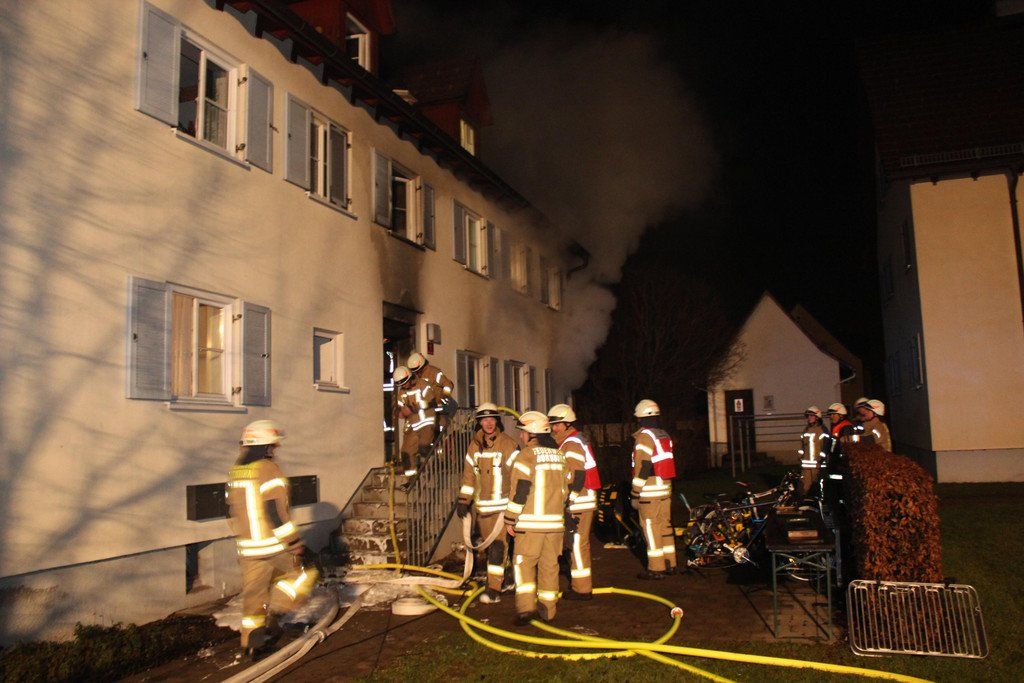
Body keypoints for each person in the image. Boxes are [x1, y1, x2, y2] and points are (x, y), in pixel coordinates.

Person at [227, 420, 318, 659]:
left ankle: (252, 643)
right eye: (272, 446)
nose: (274, 450)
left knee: (254, 597)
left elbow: (229, 510)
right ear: (265, 446)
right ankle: (277, 611)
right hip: (273, 546)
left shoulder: (237, 471)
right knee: (303, 574)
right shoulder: (267, 469)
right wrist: (294, 543)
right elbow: (275, 513)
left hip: (248, 549)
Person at [505, 411, 571, 625]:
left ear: (531, 433)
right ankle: (549, 611)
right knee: (550, 567)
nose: (521, 435)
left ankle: (526, 610)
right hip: (555, 526)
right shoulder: (559, 455)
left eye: (523, 432)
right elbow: (567, 490)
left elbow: (520, 490)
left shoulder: (526, 455)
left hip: (530, 525)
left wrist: (510, 518)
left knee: (523, 565)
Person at [456, 403, 520, 604]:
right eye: (485, 420)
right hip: (483, 511)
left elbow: (518, 477)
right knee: (491, 548)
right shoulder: (474, 446)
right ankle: (508, 579)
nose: (489, 423)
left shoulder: (508, 444)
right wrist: (463, 500)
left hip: (502, 510)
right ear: (479, 423)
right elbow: (469, 477)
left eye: (492, 419)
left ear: (497, 421)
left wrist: (515, 506)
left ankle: (493, 589)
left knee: (498, 548)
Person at [548, 403, 601, 600]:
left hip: (579, 502)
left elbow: (577, 476)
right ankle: (580, 585)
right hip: (581, 500)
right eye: (552, 425)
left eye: (557, 425)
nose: (554, 429)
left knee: (578, 544)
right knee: (577, 543)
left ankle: (582, 589)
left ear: (568, 424)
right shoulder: (573, 441)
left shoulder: (571, 444)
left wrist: (568, 502)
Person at [630, 399, 678, 580]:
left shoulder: (644, 437)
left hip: (649, 490)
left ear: (640, 418)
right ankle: (670, 563)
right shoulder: (663, 435)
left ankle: (656, 568)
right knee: (665, 525)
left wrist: (635, 492)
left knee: (650, 527)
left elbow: (643, 467)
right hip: (665, 488)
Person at [393, 364, 441, 488]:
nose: (403, 386)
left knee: (424, 449)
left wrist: (412, 408)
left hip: (426, 422)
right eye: (400, 384)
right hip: (413, 426)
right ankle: (411, 480)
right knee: (406, 452)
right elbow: (398, 407)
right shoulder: (402, 392)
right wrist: (399, 412)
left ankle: (427, 475)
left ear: (410, 377)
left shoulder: (423, 385)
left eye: (404, 382)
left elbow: (431, 402)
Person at [407, 351, 457, 432]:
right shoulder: (416, 377)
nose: (416, 372)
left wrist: (443, 398)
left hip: (437, 403)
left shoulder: (434, 372)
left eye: (417, 370)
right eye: (414, 371)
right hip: (426, 406)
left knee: (450, 410)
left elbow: (448, 385)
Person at [797, 406, 829, 496]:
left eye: (811, 416)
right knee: (804, 488)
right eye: (808, 416)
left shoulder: (823, 430)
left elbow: (826, 447)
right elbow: (802, 446)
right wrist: (800, 457)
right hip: (806, 467)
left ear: (817, 417)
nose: (809, 418)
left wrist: (821, 460)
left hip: (818, 466)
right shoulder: (806, 430)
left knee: (819, 488)